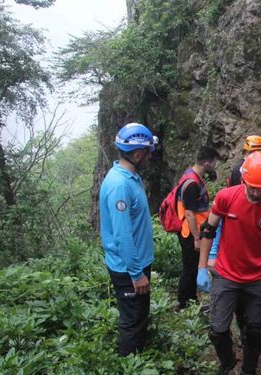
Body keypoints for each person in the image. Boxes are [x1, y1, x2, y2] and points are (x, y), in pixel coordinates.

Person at [196, 151, 261, 375]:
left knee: (256, 330)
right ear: (244, 180)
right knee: (218, 329)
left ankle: (249, 370)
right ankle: (228, 362)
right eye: (253, 187)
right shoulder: (226, 197)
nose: (257, 192)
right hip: (226, 274)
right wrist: (201, 268)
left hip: (258, 276)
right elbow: (208, 230)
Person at [99, 122, 158, 356]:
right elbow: (122, 235)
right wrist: (136, 274)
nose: (150, 156)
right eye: (148, 152)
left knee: (140, 317)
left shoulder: (132, 178)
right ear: (137, 154)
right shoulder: (119, 185)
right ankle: (128, 364)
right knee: (132, 323)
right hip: (128, 269)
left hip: (139, 263)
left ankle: (140, 360)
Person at [174, 146, 219, 310]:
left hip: (194, 230)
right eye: (213, 163)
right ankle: (184, 303)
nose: (214, 166)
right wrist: (197, 238)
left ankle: (190, 300)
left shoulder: (192, 175)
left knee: (191, 267)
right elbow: (189, 214)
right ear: (207, 163)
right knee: (190, 268)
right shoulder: (192, 183)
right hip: (190, 232)